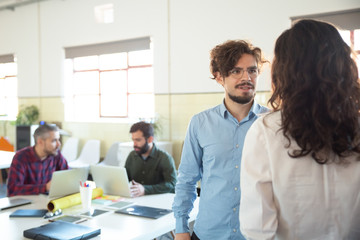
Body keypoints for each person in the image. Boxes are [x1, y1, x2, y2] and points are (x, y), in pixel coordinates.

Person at [239, 19, 360, 239]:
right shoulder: (356, 128)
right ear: (343, 65)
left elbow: (257, 228)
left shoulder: (265, 131)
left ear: (284, 72)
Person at [172, 40, 269, 240]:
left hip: (256, 235)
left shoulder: (272, 124)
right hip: (208, 233)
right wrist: (181, 228)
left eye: (252, 70)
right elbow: (186, 180)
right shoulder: (200, 123)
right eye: (236, 71)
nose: (246, 77)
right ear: (219, 77)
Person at [7, 124, 68, 196]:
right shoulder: (21, 157)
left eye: (58, 140)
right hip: (27, 203)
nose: (59, 144)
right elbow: (13, 189)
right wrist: (45, 187)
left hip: (48, 201)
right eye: (54, 140)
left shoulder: (56, 155)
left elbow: (67, 176)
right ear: (40, 142)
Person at [125, 121, 177, 197]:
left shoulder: (164, 158)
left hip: (159, 201)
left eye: (138, 140)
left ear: (150, 139)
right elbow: (125, 178)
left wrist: (145, 189)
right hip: (137, 200)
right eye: (133, 140)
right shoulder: (132, 155)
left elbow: (172, 184)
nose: (134, 144)